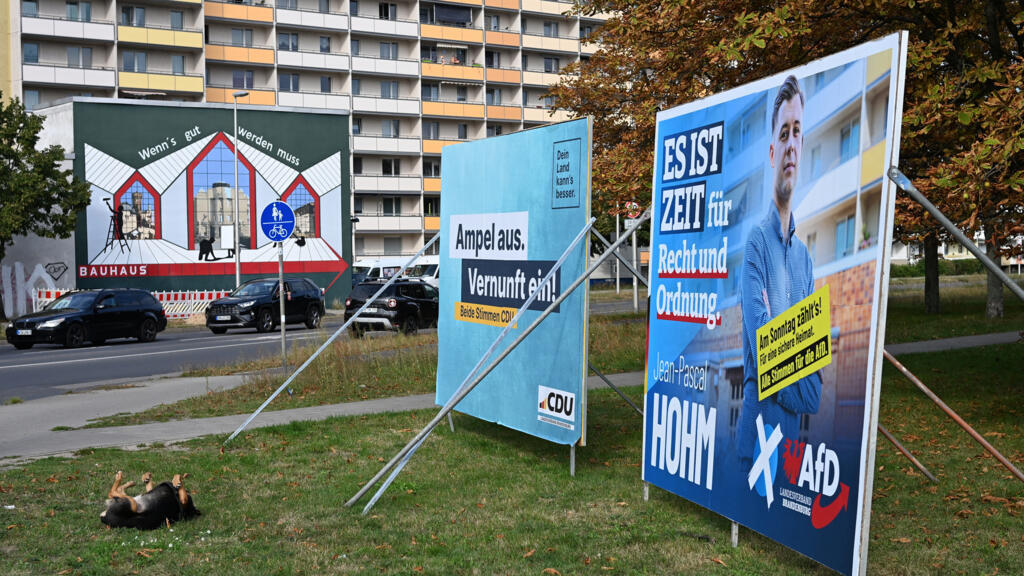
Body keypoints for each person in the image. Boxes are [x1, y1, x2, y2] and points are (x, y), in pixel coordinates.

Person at [736, 75, 821, 467]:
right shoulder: (755, 244)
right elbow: (766, 353)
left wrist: (781, 357)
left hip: (790, 451)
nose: (791, 143)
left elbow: (815, 392)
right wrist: (791, 356)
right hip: (756, 444)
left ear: (802, 147)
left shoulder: (804, 259)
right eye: (784, 133)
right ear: (773, 151)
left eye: (797, 132)